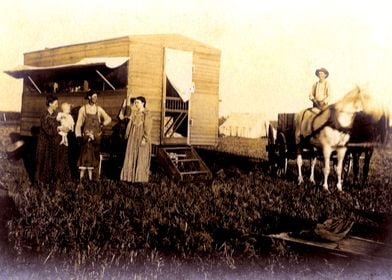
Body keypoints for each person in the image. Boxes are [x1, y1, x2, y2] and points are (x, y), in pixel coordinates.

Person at [75, 91, 112, 181]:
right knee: (85, 156)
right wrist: (78, 136)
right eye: (93, 96)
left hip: (96, 137)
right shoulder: (83, 109)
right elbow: (79, 124)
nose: (95, 98)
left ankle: (95, 178)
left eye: (96, 97)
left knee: (95, 156)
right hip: (86, 137)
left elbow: (108, 119)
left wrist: (102, 125)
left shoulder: (99, 109)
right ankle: (82, 179)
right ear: (89, 98)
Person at [35, 95, 66, 184]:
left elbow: (59, 125)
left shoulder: (56, 115)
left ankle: (48, 183)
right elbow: (49, 131)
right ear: (50, 104)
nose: (57, 105)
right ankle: (38, 184)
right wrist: (59, 129)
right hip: (43, 144)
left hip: (52, 143)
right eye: (56, 103)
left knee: (50, 164)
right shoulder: (44, 115)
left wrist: (64, 127)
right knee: (41, 163)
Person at [120, 96, 152, 182]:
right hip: (133, 138)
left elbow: (148, 127)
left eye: (137, 102)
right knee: (132, 155)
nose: (136, 104)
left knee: (141, 156)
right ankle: (131, 178)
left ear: (143, 103)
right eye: (135, 103)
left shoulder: (147, 114)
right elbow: (129, 125)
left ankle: (140, 179)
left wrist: (145, 138)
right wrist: (127, 135)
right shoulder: (135, 114)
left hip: (141, 138)